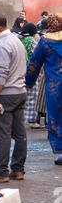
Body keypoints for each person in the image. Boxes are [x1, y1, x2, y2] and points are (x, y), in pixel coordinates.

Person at [0, 12, 27, 183]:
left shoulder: (2, 45)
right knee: (19, 133)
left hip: (7, 94)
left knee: (3, 134)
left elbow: (2, 74)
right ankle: (18, 170)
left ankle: (1, 171)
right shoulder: (17, 41)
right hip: (20, 92)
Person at [26, 13, 62, 165]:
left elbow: (34, 64)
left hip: (55, 87)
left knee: (56, 116)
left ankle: (61, 153)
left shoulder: (45, 41)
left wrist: (28, 82)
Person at [18, 23, 40, 128]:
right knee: (32, 96)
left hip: (17, 72)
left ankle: (20, 119)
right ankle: (32, 121)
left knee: (21, 96)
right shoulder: (31, 41)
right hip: (29, 72)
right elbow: (36, 56)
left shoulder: (17, 39)